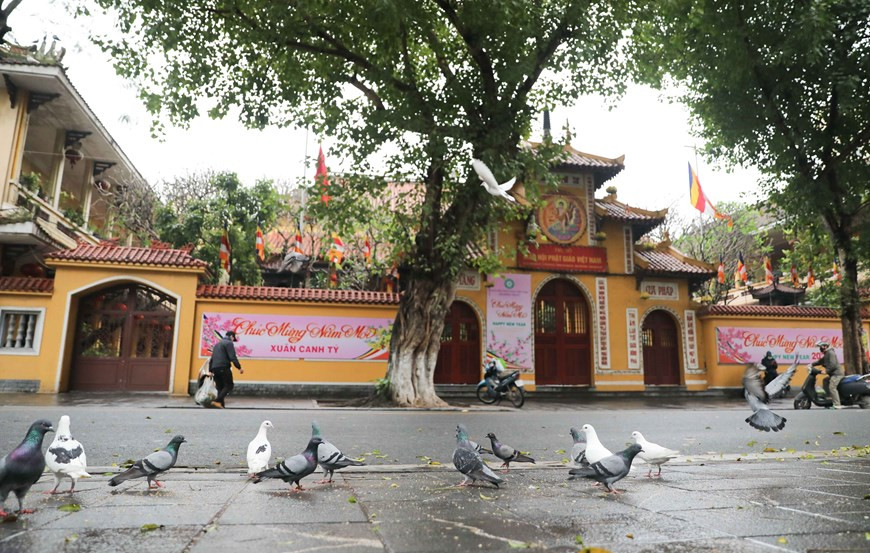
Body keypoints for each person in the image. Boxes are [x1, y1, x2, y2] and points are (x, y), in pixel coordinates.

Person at [207, 330, 244, 408]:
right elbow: (232, 357)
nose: (233, 341)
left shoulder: (217, 344)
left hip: (214, 368)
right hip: (223, 367)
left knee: (220, 387)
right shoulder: (229, 343)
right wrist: (239, 367)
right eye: (233, 339)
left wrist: (210, 370)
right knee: (229, 385)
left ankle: (221, 405)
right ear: (231, 336)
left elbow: (212, 358)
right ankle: (217, 401)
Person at [812, 340, 843, 409]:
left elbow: (833, 364)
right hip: (833, 374)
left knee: (832, 387)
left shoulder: (831, 353)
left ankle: (837, 405)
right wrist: (811, 364)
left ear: (825, 346)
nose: (820, 348)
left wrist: (826, 371)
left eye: (821, 346)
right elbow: (820, 361)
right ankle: (829, 398)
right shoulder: (827, 354)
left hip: (837, 374)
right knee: (825, 381)